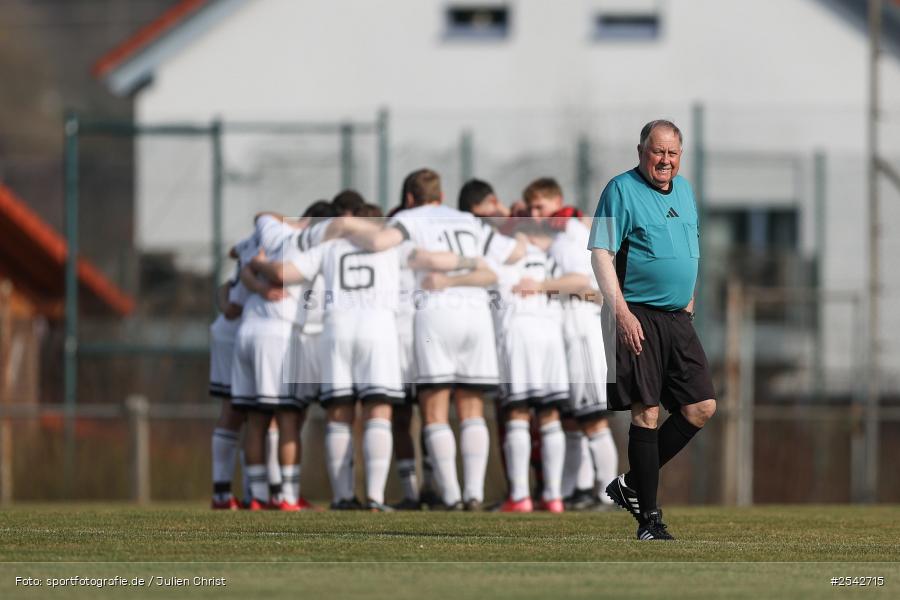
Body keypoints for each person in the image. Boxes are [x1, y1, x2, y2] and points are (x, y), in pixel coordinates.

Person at [334, 168, 525, 510]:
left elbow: (378, 242)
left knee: (434, 410)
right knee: (471, 409)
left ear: (409, 197)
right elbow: (512, 255)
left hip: (435, 314)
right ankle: (474, 494)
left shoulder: (408, 218)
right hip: (476, 315)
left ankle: (450, 495)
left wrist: (342, 225)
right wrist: (467, 262)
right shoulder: (469, 220)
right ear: (441, 195)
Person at [589, 119, 717, 540]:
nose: (665, 160)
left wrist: (690, 297)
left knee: (701, 407)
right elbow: (603, 255)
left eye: (672, 153)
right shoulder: (621, 189)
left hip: (678, 318)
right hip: (636, 314)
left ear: (681, 155)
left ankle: (630, 485)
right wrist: (621, 313)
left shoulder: (684, 190)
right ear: (641, 150)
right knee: (645, 412)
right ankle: (649, 521)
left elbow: (689, 249)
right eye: (657, 151)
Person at [523, 178, 619, 511]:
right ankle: (577, 489)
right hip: (568, 331)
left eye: (541, 206)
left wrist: (539, 285)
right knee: (573, 418)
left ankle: (609, 493)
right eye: (531, 209)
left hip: (583, 331)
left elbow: (579, 281)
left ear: (557, 201)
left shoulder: (572, 233)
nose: (535, 214)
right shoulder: (561, 235)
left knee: (593, 417)